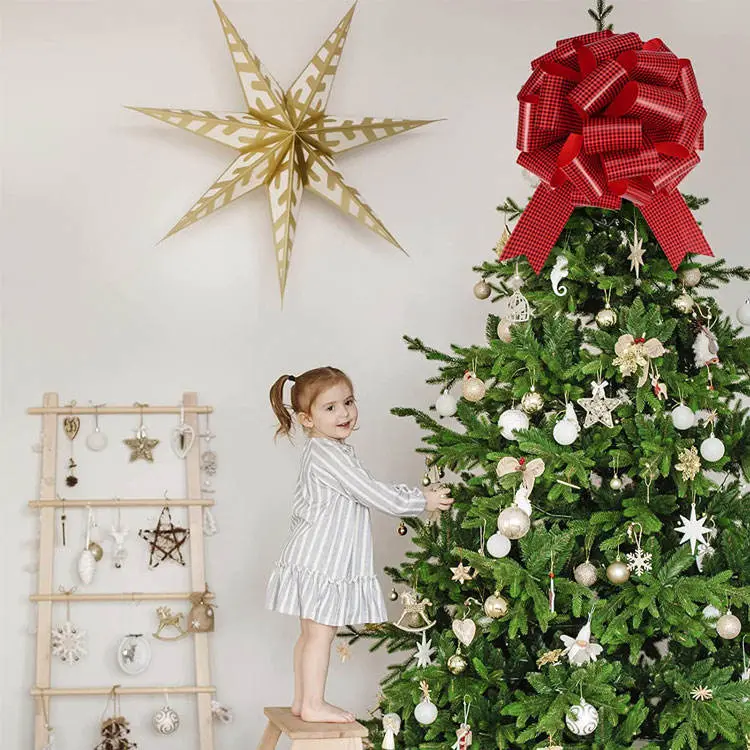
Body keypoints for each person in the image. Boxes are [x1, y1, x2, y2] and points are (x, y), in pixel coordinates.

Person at [266, 366, 453, 723]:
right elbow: (372, 493)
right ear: (306, 419)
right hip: (323, 560)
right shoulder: (329, 455)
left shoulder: (326, 451)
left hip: (312, 554)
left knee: (310, 635)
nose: (344, 413)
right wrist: (421, 500)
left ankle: (302, 700)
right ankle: (312, 703)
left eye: (348, 402)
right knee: (319, 635)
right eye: (330, 408)